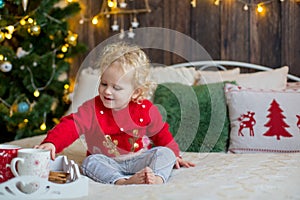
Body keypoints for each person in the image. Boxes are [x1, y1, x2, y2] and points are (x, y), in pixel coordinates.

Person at [36, 42, 195, 185]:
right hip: (106, 162)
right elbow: (71, 125)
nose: (107, 91)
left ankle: (157, 179)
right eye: (104, 84)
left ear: (135, 92)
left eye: (116, 88)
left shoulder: (145, 108)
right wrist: (52, 143)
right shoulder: (92, 109)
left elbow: (161, 133)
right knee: (90, 162)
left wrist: (175, 155)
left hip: (138, 160)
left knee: (165, 153)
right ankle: (121, 181)